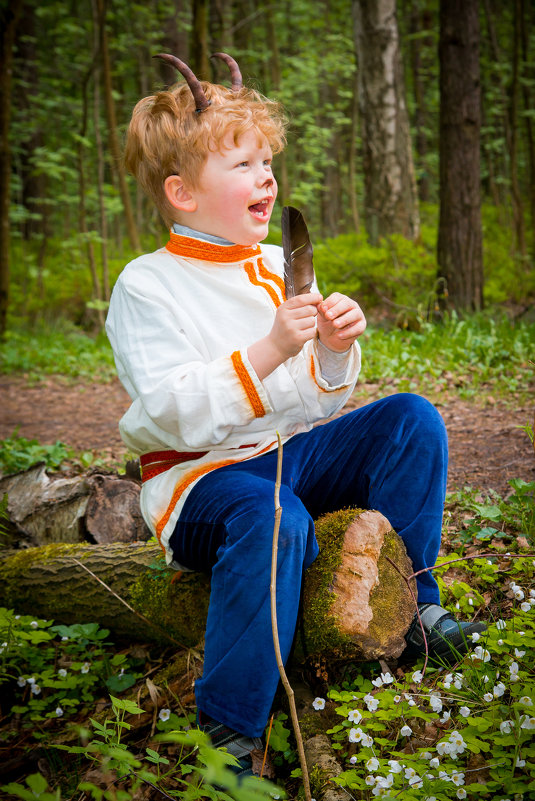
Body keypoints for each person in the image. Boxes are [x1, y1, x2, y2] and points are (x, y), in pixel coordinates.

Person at [105, 53, 485, 778]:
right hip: (201, 479)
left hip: (290, 451)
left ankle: (416, 607)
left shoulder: (277, 262)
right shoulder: (147, 283)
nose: (267, 178)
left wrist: (334, 352)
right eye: (244, 164)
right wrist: (270, 347)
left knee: (410, 418)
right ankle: (227, 733)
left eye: (268, 162)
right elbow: (169, 411)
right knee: (274, 515)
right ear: (182, 192)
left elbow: (313, 401)